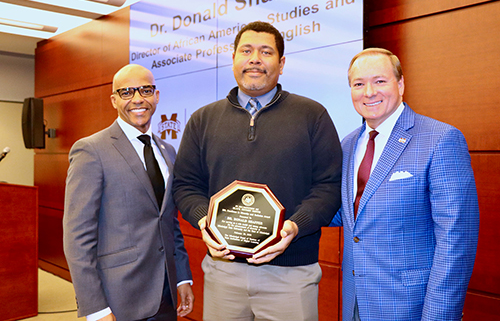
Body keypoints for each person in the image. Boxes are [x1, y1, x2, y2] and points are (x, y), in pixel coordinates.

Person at [172, 21, 342, 320]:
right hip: (222, 272)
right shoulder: (202, 120)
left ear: (281, 63)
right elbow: (185, 186)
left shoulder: (312, 115)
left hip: (291, 273)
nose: (255, 59)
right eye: (246, 50)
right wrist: (204, 223)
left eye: (266, 52)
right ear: (234, 58)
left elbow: (329, 186)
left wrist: (294, 227)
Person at [330, 48, 479, 320]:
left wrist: (439, 315)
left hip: (412, 307)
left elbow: (456, 239)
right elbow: (348, 212)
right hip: (356, 303)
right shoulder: (349, 144)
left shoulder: (440, 139)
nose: (369, 92)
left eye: (380, 81)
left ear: (400, 84)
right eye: (359, 84)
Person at [63, 64, 194, 321]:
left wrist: (182, 277)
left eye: (145, 90)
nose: (137, 99)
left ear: (156, 96)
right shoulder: (91, 150)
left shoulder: (167, 150)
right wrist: (95, 308)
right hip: (118, 297)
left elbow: (168, 222)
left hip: (165, 295)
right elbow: (77, 237)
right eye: (126, 92)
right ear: (114, 100)